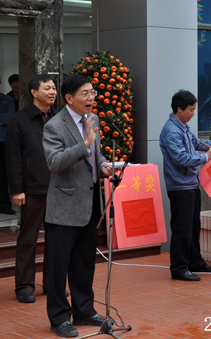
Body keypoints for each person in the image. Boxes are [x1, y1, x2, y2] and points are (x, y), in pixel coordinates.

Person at [43, 74, 112, 338]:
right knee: (59, 266)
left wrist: (103, 165)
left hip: (90, 203)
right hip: (64, 206)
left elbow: (96, 155)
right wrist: (84, 145)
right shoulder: (54, 125)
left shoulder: (91, 120)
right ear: (69, 98)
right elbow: (54, 162)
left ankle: (84, 310)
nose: (91, 97)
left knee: (84, 262)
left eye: (93, 92)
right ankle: (59, 317)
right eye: (86, 93)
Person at [159, 90, 211, 282]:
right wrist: (206, 157)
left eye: (194, 109)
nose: (193, 114)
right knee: (182, 228)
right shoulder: (171, 130)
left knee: (193, 226)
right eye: (190, 110)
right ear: (179, 109)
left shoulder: (182, 126)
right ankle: (179, 268)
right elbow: (180, 158)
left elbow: (196, 142)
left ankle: (195, 261)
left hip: (190, 184)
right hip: (180, 187)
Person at [6, 74, 57, 304]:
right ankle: (24, 286)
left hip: (58, 188)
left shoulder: (59, 118)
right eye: (47, 88)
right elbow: (13, 157)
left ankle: (51, 284)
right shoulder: (19, 120)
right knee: (28, 239)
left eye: (54, 88)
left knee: (56, 240)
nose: (52, 92)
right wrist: (17, 189)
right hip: (33, 188)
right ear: (34, 92)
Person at [0, 75, 15, 215]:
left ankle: (4, 205)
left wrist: (3, 120)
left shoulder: (7, 99)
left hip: (3, 141)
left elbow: (10, 118)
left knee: (3, 174)